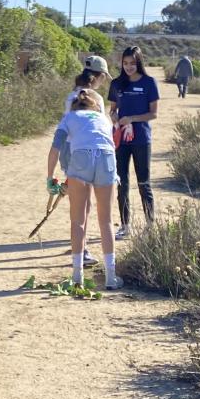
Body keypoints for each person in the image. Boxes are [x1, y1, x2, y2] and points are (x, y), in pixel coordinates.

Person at [46, 88, 121, 289]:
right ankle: (111, 277)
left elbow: (56, 147)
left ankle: (77, 275)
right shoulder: (103, 118)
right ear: (96, 105)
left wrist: (50, 177)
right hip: (106, 158)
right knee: (106, 220)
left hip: (80, 158)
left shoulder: (69, 117)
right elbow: (110, 142)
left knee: (78, 220)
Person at [107, 45, 160, 239]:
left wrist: (132, 119)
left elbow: (153, 114)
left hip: (141, 139)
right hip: (121, 140)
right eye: (125, 63)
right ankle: (125, 224)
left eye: (132, 63)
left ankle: (149, 224)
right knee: (122, 182)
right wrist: (114, 118)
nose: (129, 66)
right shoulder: (116, 83)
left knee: (144, 182)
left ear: (139, 62)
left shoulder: (149, 83)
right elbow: (112, 109)